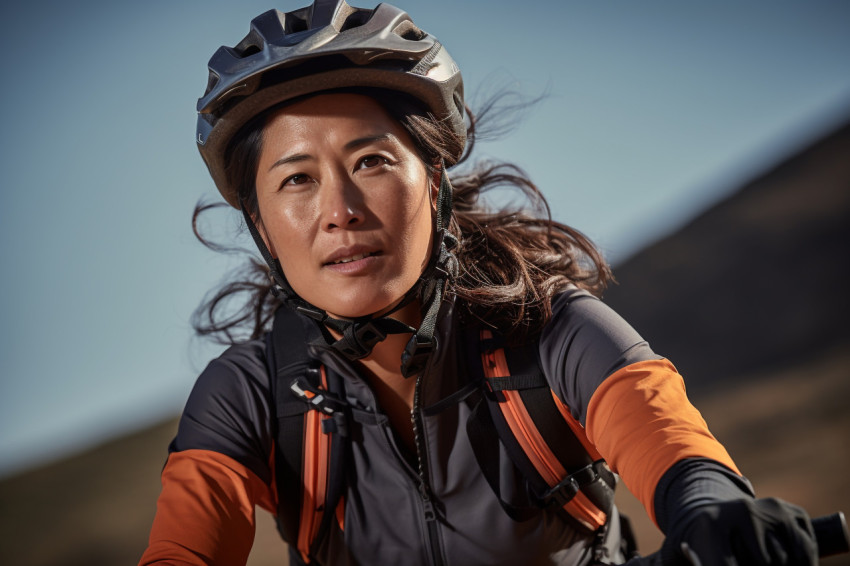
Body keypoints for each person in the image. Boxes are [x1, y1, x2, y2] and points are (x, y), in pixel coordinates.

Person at [139, 1, 820, 564]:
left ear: (433, 185)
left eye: (371, 161)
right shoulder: (250, 392)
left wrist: (715, 511)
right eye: (296, 179)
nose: (339, 211)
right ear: (261, 224)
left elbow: (676, 451)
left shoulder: (551, 332)